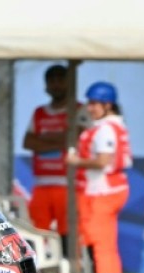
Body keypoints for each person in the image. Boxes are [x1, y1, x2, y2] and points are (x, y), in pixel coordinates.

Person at [66, 81, 131, 273]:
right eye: (89, 102)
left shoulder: (105, 129)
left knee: (102, 247)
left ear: (107, 104)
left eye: (94, 103)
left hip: (102, 193)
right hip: (102, 192)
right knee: (103, 245)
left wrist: (76, 162)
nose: (89, 107)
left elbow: (103, 161)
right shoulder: (106, 126)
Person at [22, 64, 88, 253]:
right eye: (52, 81)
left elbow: (78, 136)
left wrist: (45, 140)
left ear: (69, 83)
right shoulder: (39, 112)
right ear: (46, 85)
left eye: (61, 80)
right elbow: (28, 142)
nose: (56, 85)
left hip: (69, 184)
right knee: (39, 233)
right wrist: (61, 139)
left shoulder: (79, 110)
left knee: (69, 234)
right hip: (41, 184)